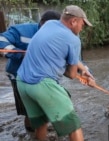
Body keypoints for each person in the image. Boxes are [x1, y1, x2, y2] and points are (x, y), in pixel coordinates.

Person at [16, 5, 95, 141]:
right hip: (41, 84)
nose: (83, 28)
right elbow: (71, 74)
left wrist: (84, 69)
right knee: (73, 125)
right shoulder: (73, 40)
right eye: (82, 24)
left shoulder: (50, 24)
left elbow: (58, 53)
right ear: (73, 21)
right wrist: (82, 76)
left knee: (41, 124)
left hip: (21, 82)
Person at [0, 10, 61, 132]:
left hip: (45, 76)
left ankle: (39, 128)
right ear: (41, 23)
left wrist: (84, 72)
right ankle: (31, 131)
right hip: (19, 76)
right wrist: (21, 54)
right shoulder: (22, 31)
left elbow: (73, 59)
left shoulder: (59, 35)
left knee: (47, 105)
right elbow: (1, 40)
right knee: (28, 110)